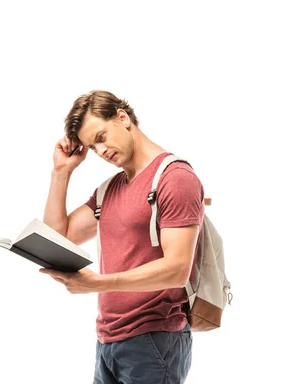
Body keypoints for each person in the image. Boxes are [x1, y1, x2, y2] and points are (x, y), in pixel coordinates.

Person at [40, 90, 204, 384]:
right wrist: (60, 172)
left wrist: (96, 284)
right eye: (92, 147)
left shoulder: (174, 178)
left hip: (154, 340)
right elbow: (57, 239)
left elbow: (178, 270)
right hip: (108, 339)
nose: (100, 151)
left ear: (122, 118)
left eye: (101, 137)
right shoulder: (109, 190)